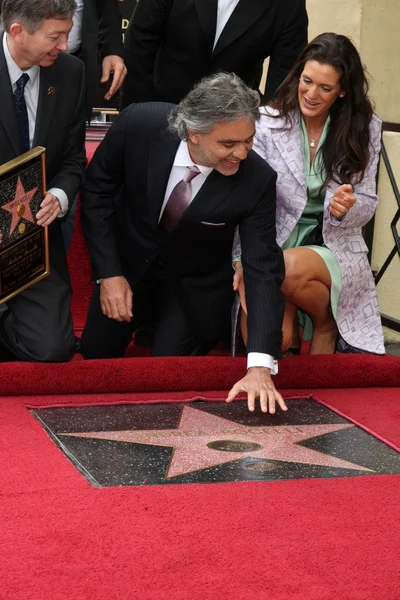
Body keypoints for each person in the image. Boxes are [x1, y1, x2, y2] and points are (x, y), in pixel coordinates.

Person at [80, 72, 287, 414]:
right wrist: (108, 273)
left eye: (248, 140)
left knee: (164, 375)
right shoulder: (139, 124)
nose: (242, 152)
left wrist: (260, 366)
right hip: (129, 267)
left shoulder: (257, 179)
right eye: (228, 144)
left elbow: (262, 264)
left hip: (193, 285)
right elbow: (97, 192)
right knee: (94, 355)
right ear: (194, 132)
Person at [233, 33, 385, 355]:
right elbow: (242, 200)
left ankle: (323, 322)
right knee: (275, 342)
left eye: (325, 88)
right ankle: (321, 318)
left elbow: (369, 202)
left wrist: (348, 206)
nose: (311, 94)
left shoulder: (364, 127)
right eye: (307, 81)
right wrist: (239, 260)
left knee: (281, 268)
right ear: (298, 74)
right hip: (273, 239)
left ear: (342, 91)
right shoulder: (266, 124)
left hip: (331, 243)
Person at [0, 0, 87, 362]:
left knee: (52, 349)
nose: (65, 45)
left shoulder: (71, 73)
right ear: (18, 31)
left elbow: (73, 157)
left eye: (67, 34)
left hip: (33, 237)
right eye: (56, 36)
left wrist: (59, 195)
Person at [119, 0, 308, 108]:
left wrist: (259, 137)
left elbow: (285, 78)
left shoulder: (288, 5)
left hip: (232, 123)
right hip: (162, 106)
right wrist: (139, 113)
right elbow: (139, 46)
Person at [61, 0, 127, 251]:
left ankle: (56, 269)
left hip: (77, 63)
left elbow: (106, 6)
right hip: (20, 57)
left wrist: (112, 48)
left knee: (67, 165)